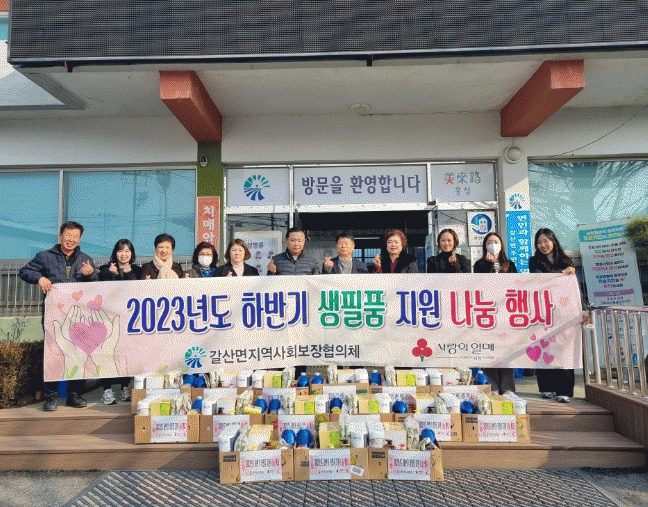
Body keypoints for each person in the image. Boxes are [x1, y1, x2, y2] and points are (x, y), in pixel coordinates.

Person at [19, 221, 98, 411]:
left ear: (80, 239)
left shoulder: (85, 259)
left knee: (78, 354)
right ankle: (51, 397)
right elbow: (25, 271)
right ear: (61, 235)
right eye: (68, 235)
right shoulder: (45, 256)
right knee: (53, 354)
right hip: (53, 315)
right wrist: (40, 278)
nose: (71, 239)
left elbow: (96, 284)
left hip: (79, 316)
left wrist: (91, 274)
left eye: (76, 236)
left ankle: (74, 395)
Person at [529, 228, 578, 403]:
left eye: (546, 241)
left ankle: (564, 390)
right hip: (543, 311)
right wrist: (561, 274)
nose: (543, 245)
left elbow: (574, 288)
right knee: (544, 348)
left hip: (563, 311)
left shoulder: (565, 260)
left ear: (553, 241)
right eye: (539, 242)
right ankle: (546, 387)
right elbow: (539, 279)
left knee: (563, 349)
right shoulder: (534, 261)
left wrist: (580, 309)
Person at [473, 232, 517, 395]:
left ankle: (507, 387)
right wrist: (489, 265)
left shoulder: (509, 264)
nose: (493, 244)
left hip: (506, 311)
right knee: (489, 349)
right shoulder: (479, 264)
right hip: (486, 311)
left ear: (501, 244)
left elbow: (516, 284)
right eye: (489, 242)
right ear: (485, 245)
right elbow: (479, 284)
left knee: (506, 349)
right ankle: (492, 385)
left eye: (496, 241)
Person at [97, 238, 140, 404]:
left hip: (129, 320)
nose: (124, 254)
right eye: (120, 250)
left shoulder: (137, 270)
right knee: (108, 354)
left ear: (132, 254)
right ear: (115, 253)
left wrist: (128, 274)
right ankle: (106, 390)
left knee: (126, 354)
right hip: (108, 319)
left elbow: (138, 290)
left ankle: (125, 387)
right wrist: (112, 275)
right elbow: (98, 289)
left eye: (127, 251)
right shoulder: (105, 269)